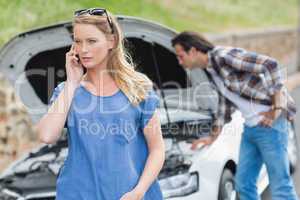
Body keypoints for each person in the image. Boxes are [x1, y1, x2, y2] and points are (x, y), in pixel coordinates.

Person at [35, 8, 165, 200]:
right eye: (78, 41)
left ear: (111, 41)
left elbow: (157, 149)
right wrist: (72, 82)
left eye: (91, 41)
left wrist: (139, 191)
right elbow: (46, 136)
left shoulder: (138, 87)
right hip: (77, 194)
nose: (83, 49)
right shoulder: (67, 91)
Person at [171, 31, 298, 200]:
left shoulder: (224, 56)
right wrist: (211, 138)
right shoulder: (211, 70)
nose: (179, 62)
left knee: (280, 185)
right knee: (244, 185)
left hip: (270, 127)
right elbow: (225, 105)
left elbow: (270, 65)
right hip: (251, 129)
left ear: (193, 51)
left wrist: (277, 108)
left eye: (180, 56)